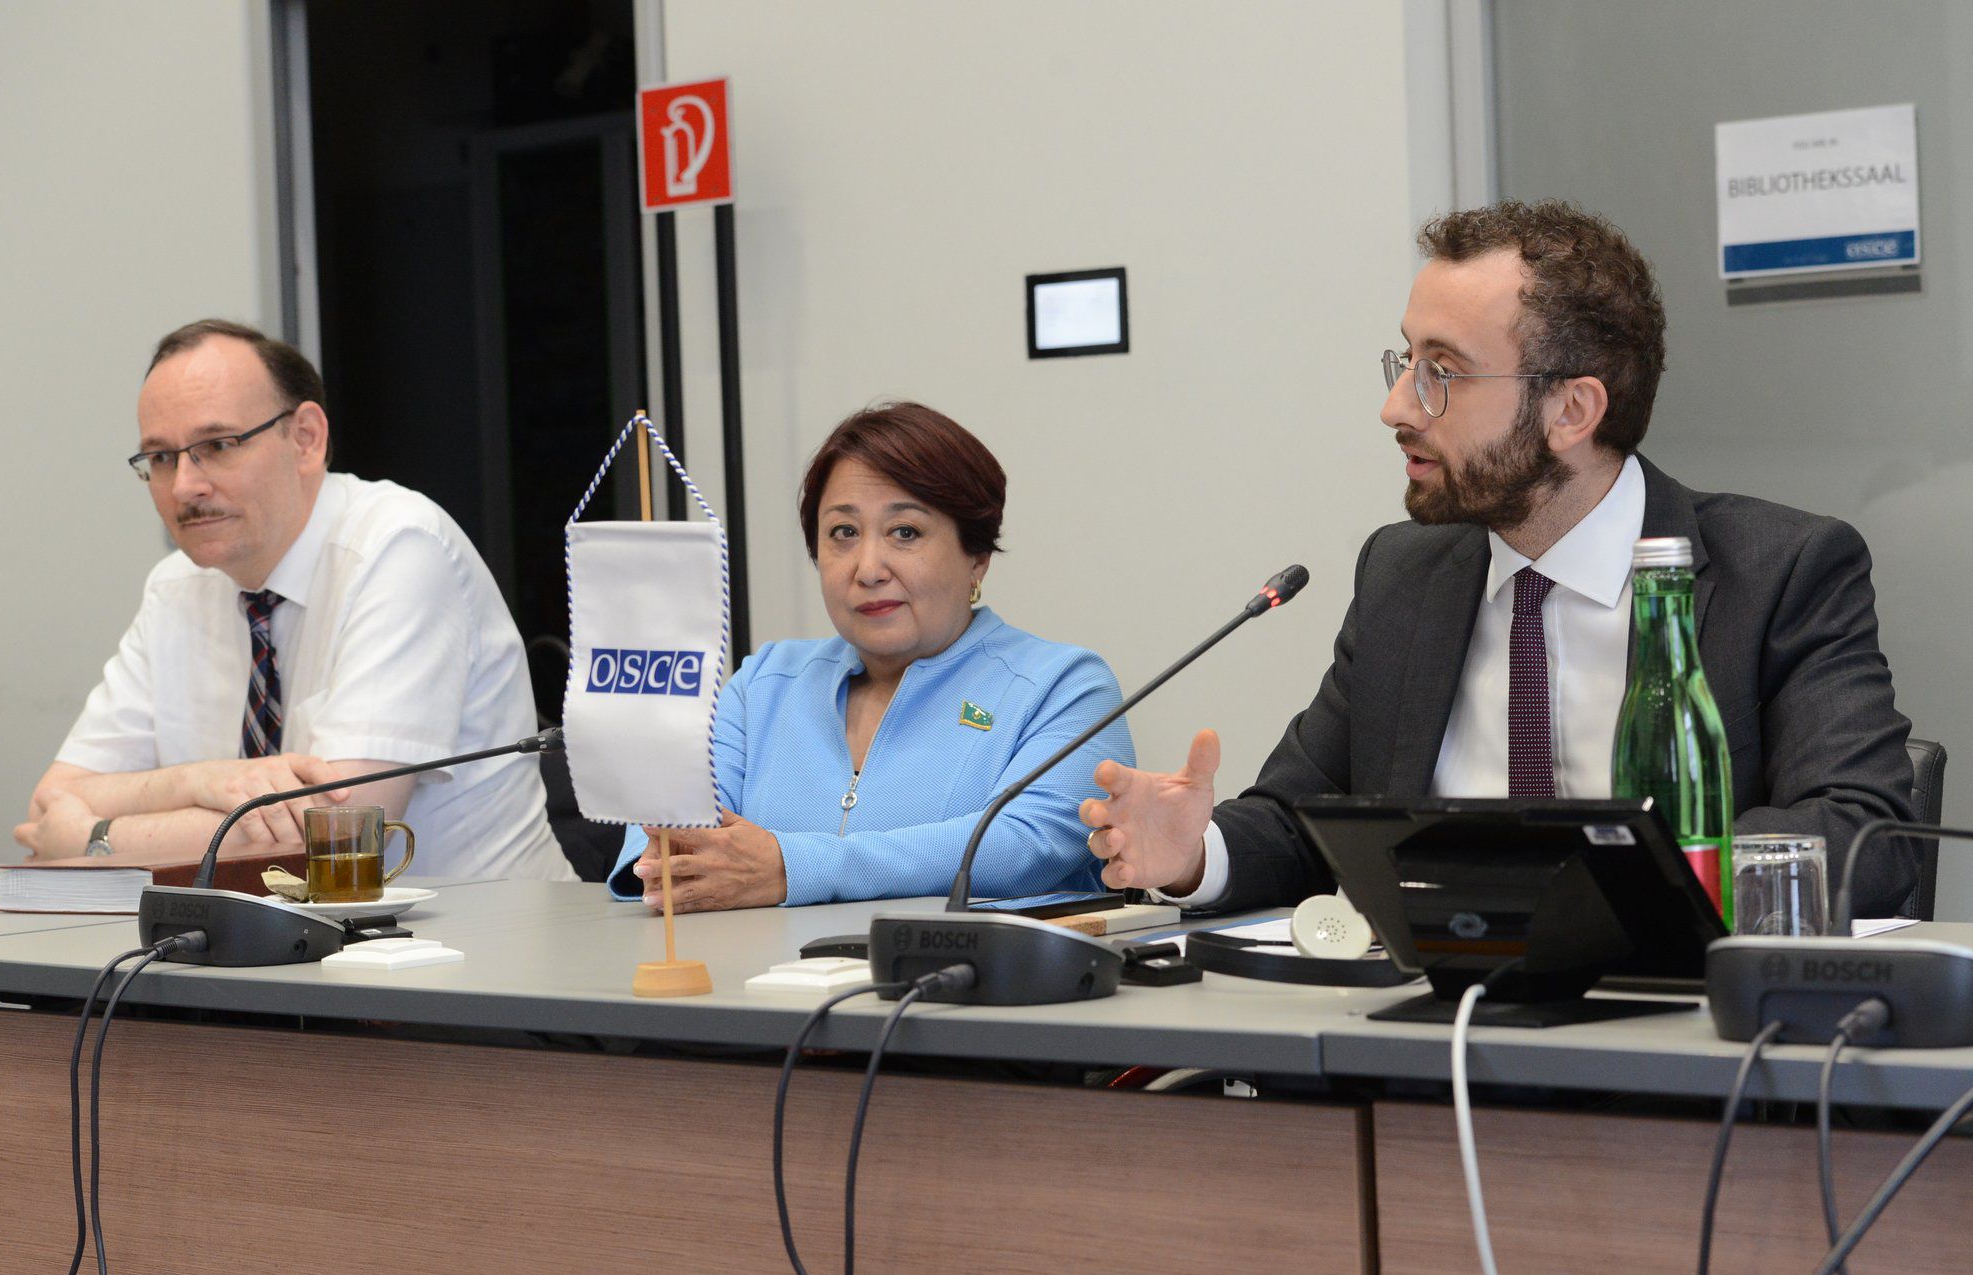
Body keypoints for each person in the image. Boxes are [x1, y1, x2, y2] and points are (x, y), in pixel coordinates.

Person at [1083, 200, 1917, 917]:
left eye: (1442, 373)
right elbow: (1302, 820)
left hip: (1673, 1023)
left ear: (1571, 410)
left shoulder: (1778, 572)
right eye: (1406, 362)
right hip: (1433, 1022)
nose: (1397, 406)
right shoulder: (1403, 575)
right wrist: (1195, 852)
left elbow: (1864, 837)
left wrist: (1599, 885)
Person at [17, 319, 574, 881]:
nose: (185, 486)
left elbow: (341, 835)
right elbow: (49, 804)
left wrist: (99, 838)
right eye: (161, 458)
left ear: (305, 438)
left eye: (217, 446)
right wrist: (197, 780)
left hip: (480, 926)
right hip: (277, 929)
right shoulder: (176, 588)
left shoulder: (399, 546)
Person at [612, 401, 1132, 911]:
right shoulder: (765, 682)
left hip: (963, 967)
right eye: (844, 533)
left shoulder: (1065, 685)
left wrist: (793, 867)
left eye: (905, 532)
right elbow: (664, 827)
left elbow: (1029, 844)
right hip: (753, 965)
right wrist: (662, 859)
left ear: (977, 557)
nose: (868, 569)